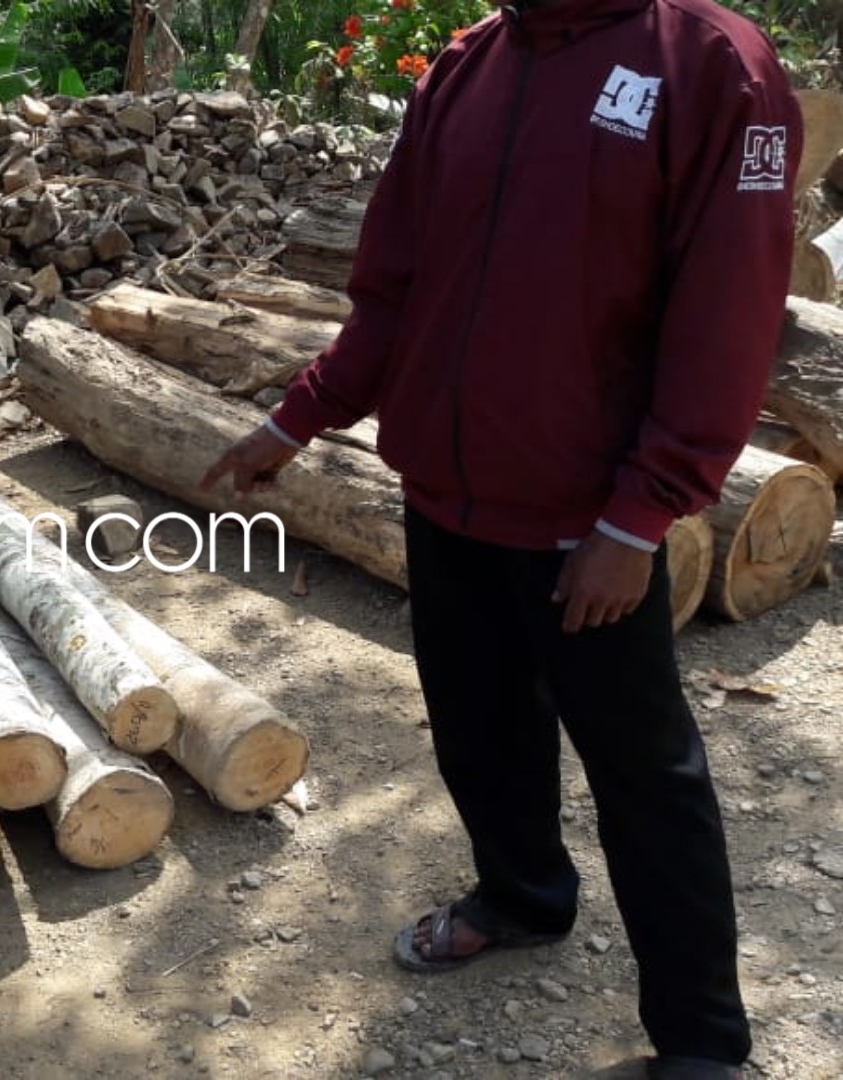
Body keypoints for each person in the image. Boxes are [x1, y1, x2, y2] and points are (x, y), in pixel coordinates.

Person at [201, 2, 801, 1078]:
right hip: (445, 492)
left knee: (643, 775)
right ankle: (522, 897)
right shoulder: (470, 65)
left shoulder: (710, 64)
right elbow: (394, 285)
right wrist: (297, 418)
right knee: (479, 728)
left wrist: (638, 515)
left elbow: (729, 314)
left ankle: (703, 1040)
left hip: (588, 519)